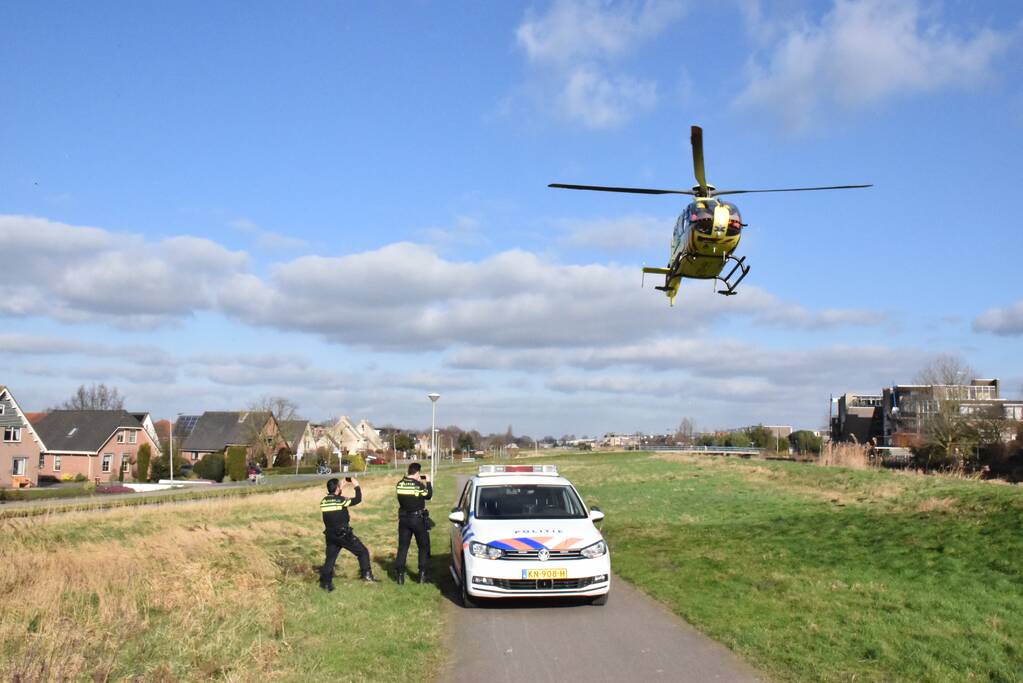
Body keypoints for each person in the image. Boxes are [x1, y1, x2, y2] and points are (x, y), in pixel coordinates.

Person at [319, 477, 378, 591]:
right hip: (343, 534)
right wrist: (356, 486)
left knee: (330, 559)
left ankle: (326, 583)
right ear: (337, 488)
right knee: (363, 552)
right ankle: (367, 576)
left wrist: (339, 488)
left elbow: (335, 498)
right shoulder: (341, 500)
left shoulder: (324, 501)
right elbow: (358, 499)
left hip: (330, 535)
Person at [394, 462, 433, 584]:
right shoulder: (418, 486)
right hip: (417, 519)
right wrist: (428, 482)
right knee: (422, 546)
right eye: (419, 474)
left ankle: (400, 576)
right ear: (417, 473)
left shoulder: (399, 484)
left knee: (403, 547)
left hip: (404, 519)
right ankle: (422, 575)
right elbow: (428, 495)